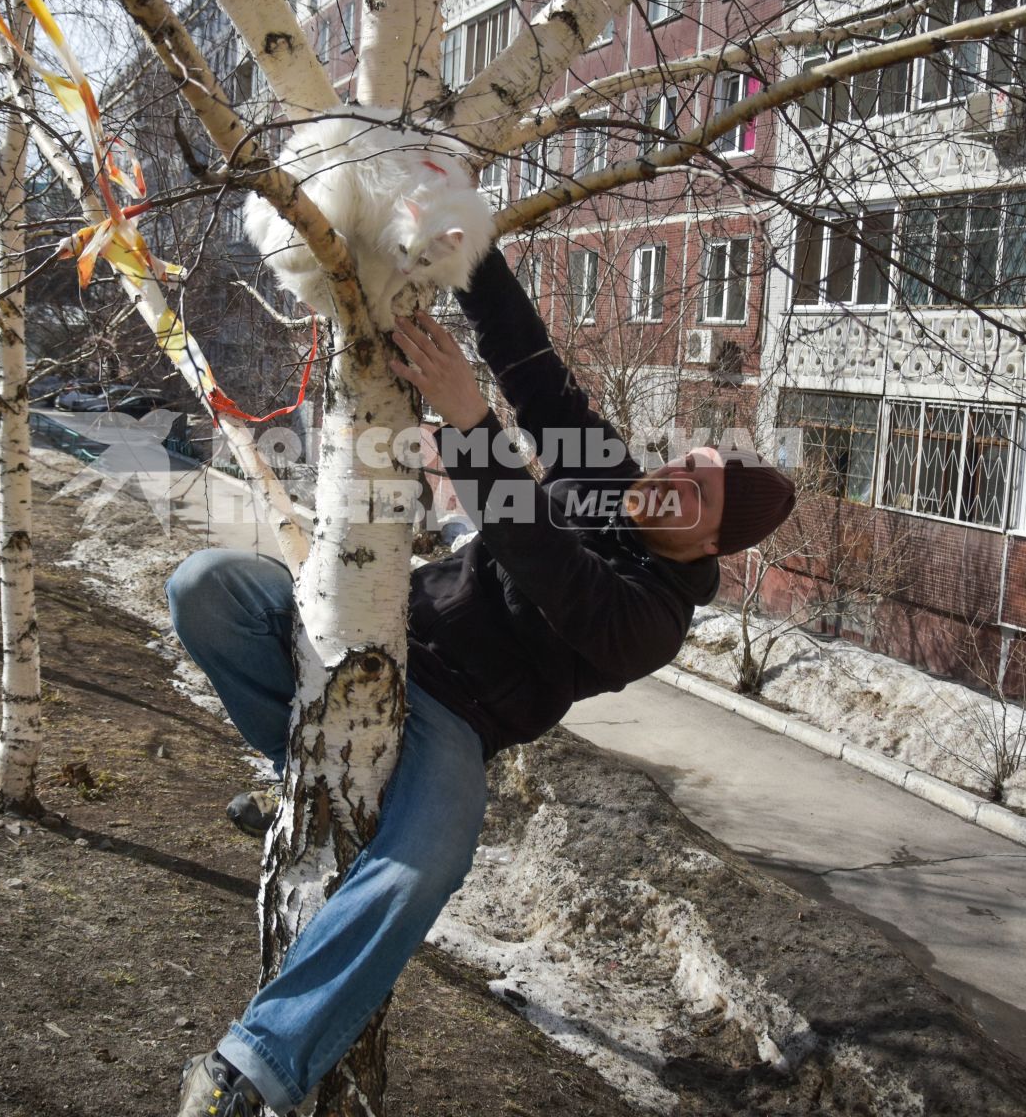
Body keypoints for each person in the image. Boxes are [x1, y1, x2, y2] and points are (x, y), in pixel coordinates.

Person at [166, 248, 796, 1116]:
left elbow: (545, 563)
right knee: (208, 588)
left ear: (713, 547)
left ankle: (253, 1067)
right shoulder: (609, 475)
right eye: (683, 465)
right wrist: (462, 234)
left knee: (428, 861)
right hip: (380, 634)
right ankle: (305, 778)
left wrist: (470, 425)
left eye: (696, 497)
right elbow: (531, 362)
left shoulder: (654, 620)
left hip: (458, 723)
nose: (668, 486)